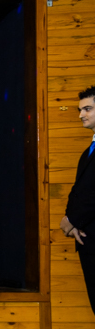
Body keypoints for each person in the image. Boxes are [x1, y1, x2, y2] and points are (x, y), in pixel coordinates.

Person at [61, 86, 95, 315]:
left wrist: (72, 220)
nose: (81, 114)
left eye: (88, 109)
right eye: (80, 110)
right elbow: (78, 190)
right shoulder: (87, 152)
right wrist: (70, 220)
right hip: (87, 237)